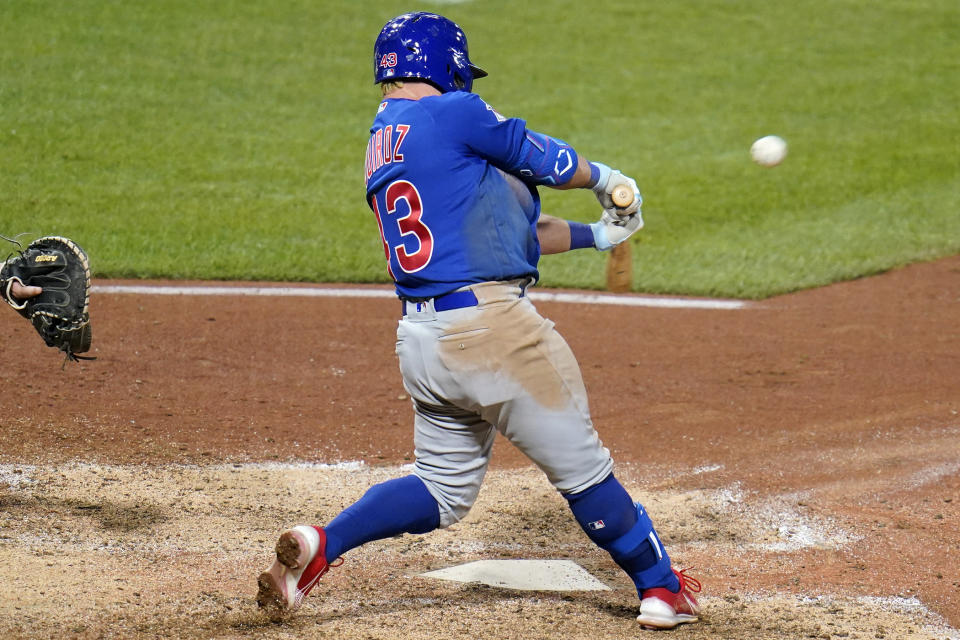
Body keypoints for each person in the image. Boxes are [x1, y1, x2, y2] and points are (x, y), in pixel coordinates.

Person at [256, 11, 701, 630]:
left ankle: (323, 544)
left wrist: (598, 236)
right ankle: (661, 588)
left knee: (440, 489)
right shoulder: (453, 113)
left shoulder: (387, 139)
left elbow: (505, 233)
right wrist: (606, 178)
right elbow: (538, 154)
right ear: (448, 68)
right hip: (494, 335)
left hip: (424, 344)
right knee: (585, 470)